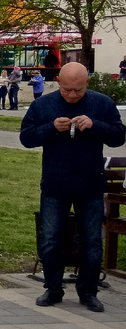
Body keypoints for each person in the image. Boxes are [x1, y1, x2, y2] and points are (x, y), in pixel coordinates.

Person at [20, 63, 124, 313]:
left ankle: (88, 291)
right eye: (67, 90)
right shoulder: (43, 105)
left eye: (78, 90)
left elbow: (119, 136)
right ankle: (53, 288)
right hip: (55, 184)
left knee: (92, 241)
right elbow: (26, 137)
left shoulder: (101, 103)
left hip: (90, 185)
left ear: (87, 82)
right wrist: (51, 128)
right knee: (51, 239)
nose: (72, 95)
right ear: (58, 82)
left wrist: (95, 125)